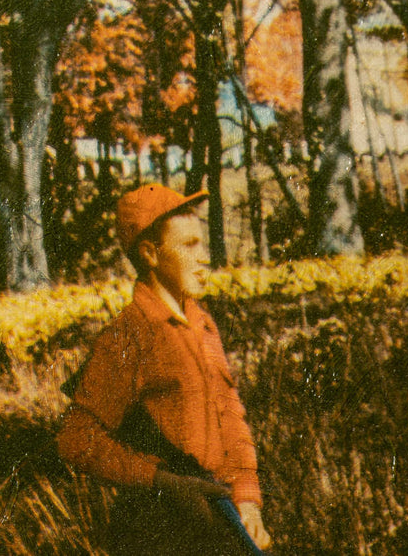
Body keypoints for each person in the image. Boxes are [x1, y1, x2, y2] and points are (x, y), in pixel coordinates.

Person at [55, 183, 273, 555]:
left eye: (203, 244)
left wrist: (248, 496)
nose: (206, 257)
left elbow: (230, 412)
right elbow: (75, 440)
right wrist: (160, 481)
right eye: (189, 246)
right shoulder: (129, 335)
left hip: (217, 511)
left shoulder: (201, 322)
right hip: (158, 526)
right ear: (150, 254)